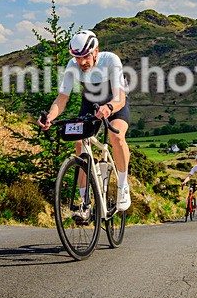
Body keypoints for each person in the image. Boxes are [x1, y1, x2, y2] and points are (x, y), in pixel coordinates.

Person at [38, 29, 131, 213]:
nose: (81, 62)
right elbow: (62, 99)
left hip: (115, 101)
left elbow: (119, 97)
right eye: (77, 57)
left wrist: (110, 108)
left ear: (96, 51)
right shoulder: (72, 66)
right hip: (90, 103)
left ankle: (123, 186)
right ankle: (84, 202)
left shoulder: (111, 60)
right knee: (79, 143)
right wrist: (50, 117)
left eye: (86, 57)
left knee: (117, 137)